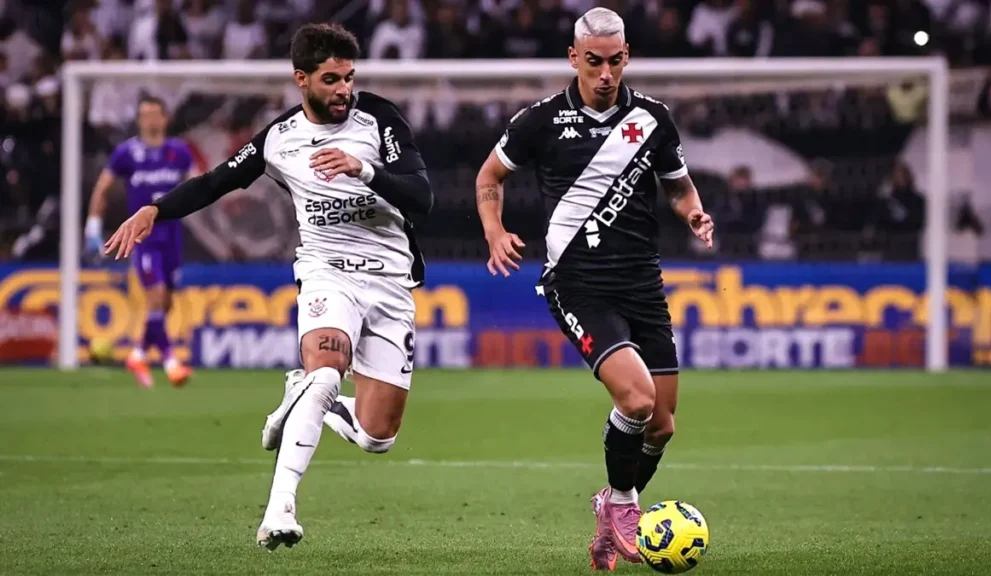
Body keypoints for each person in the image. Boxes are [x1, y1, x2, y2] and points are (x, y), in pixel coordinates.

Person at [103, 23, 433, 550]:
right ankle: (279, 510)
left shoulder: (380, 119)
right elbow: (218, 181)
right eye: (331, 80)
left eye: (349, 77)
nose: (344, 90)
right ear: (301, 80)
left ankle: (298, 396)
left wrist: (364, 169)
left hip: (390, 281)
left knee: (377, 437)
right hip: (326, 272)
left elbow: (422, 196)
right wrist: (156, 210)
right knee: (326, 369)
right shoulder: (280, 138)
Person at [474, 7, 714, 571]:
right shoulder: (540, 121)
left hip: (642, 285)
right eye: (593, 62)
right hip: (578, 285)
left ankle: (610, 505)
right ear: (573, 58)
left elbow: (679, 188)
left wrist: (694, 212)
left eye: (614, 62)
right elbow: (489, 176)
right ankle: (625, 504)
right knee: (635, 398)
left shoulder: (653, 119)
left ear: (626, 57)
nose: (605, 74)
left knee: (662, 424)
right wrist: (494, 232)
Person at [86, 96, 198, 388]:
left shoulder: (179, 151)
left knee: (166, 302)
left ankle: (137, 354)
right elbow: (103, 188)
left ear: (165, 118)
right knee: (157, 296)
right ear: (138, 120)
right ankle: (171, 362)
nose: (150, 120)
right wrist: (94, 224)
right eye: (144, 115)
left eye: (154, 114)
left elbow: (199, 183)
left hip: (173, 234)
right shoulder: (126, 153)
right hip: (144, 237)